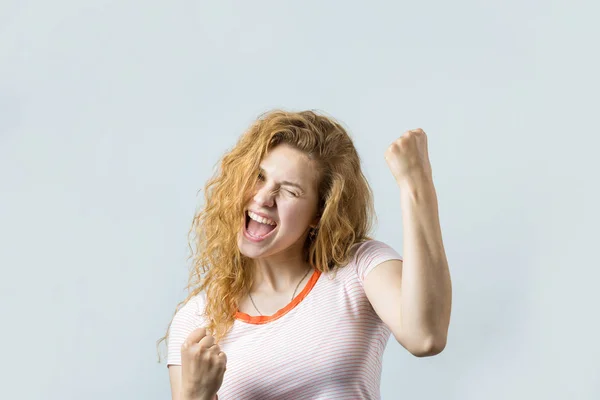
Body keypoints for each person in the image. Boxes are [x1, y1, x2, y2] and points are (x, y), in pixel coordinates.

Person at [158, 109, 452, 400]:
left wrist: (415, 185)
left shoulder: (360, 268)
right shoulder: (195, 321)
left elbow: (425, 337)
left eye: (290, 191)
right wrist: (196, 394)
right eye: (259, 176)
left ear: (319, 213)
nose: (263, 198)